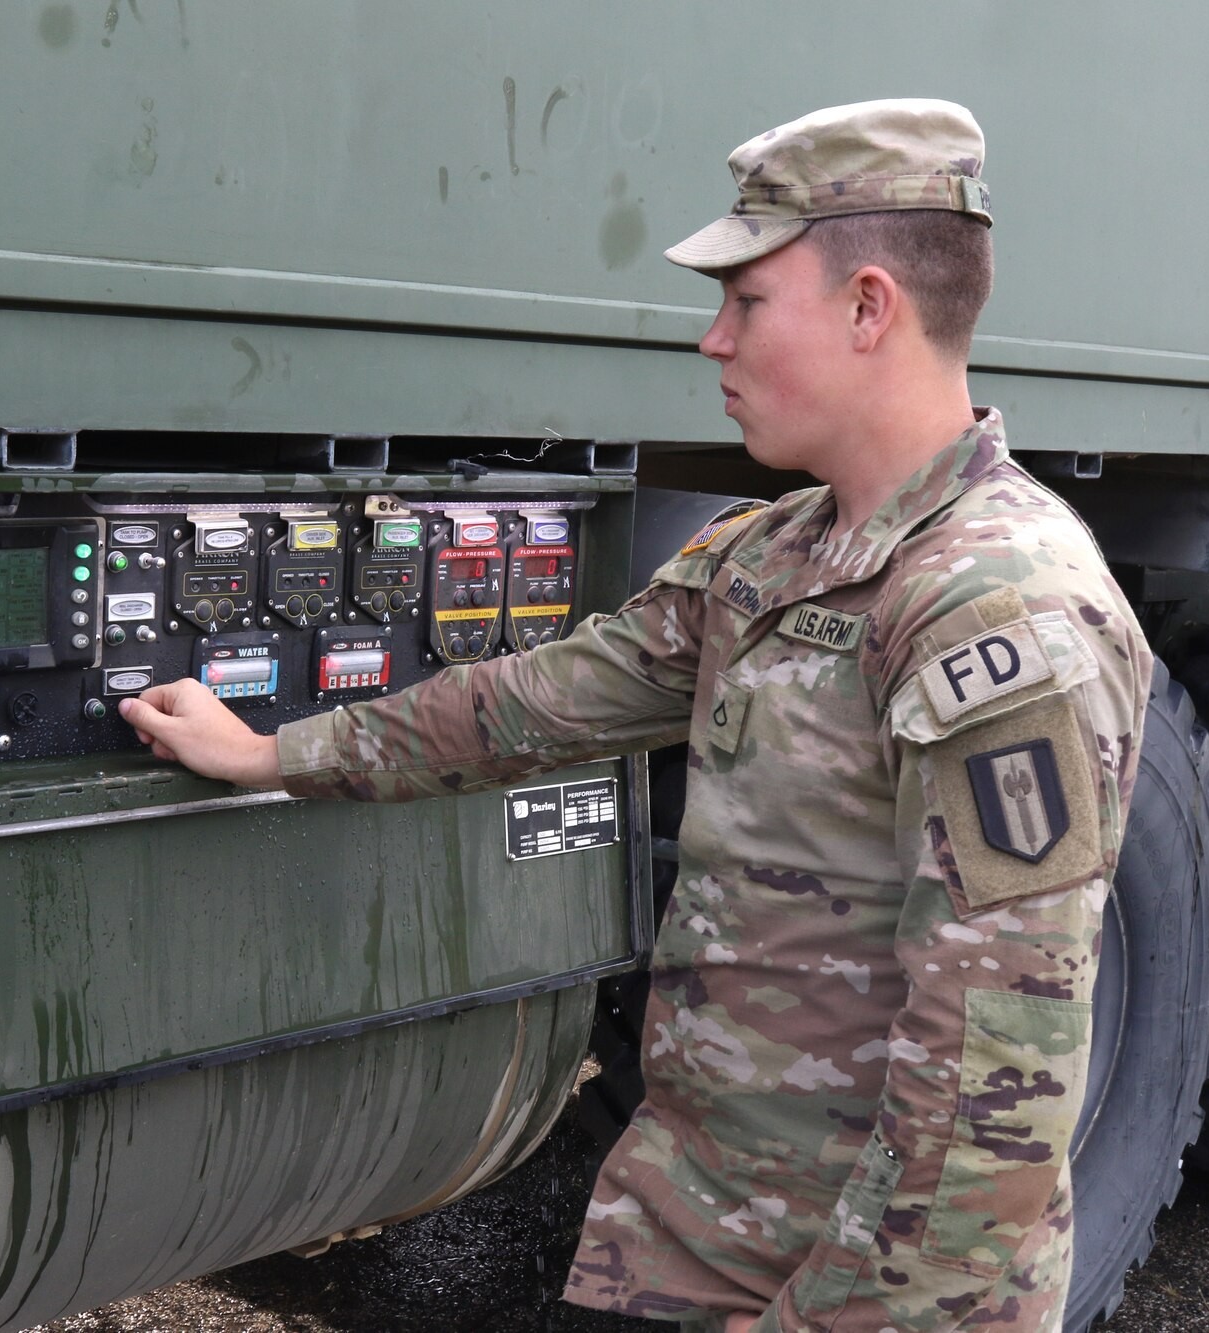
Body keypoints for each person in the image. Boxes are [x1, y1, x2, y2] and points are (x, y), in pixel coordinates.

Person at [120, 99, 1151, 1333]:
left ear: (869, 306)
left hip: (863, 1288)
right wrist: (274, 753)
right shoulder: (772, 555)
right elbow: (539, 703)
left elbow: (996, 1082)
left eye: (747, 302)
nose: (712, 342)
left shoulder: (999, 610)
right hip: (687, 1234)